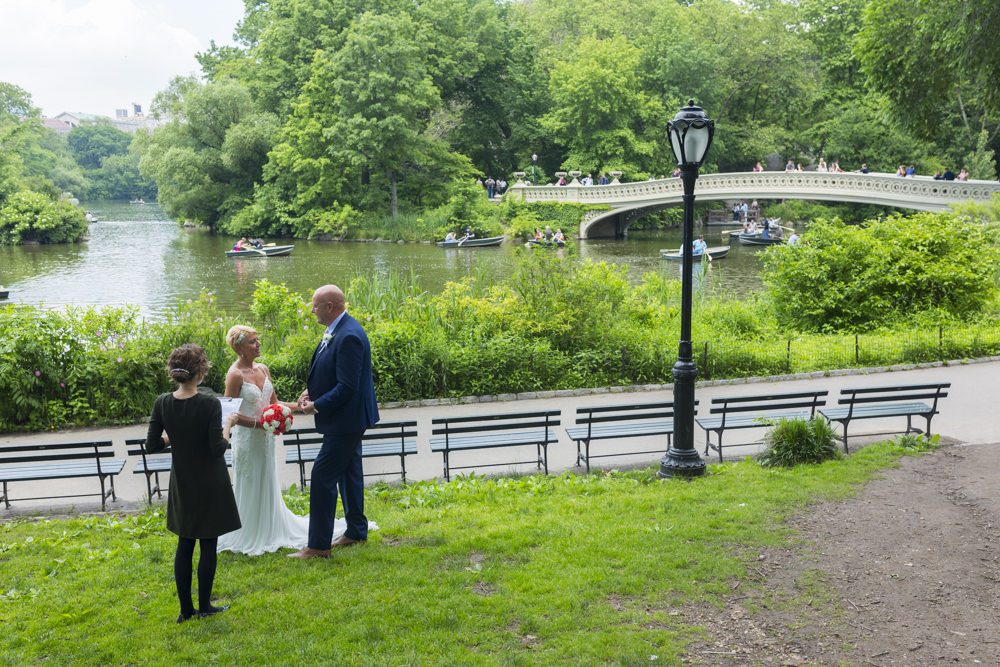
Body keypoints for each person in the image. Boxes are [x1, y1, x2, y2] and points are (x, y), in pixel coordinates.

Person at [218, 326, 361, 555]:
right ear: (238, 348)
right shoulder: (234, 375)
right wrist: (260, 423)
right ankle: (251, 530)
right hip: (248, 440)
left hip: (266, 439)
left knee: (267, 479)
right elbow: (229, 415)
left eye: (258, 340)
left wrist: (304, 407)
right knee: (251, 481)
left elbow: (274, 404)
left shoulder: (263, 368)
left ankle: (271, 524)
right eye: (253, 342)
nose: (258, 345)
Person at [145, 344, 240, 622]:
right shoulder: (210, 403)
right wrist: (229, 425)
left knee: (185, 543)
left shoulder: (162, 402)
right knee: (208, 543)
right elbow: (217, 447)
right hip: (210, 481)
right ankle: (205, 606)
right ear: (200, 372)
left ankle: (186, 610)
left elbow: (152, 444)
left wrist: (176, 435)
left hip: (183, 481)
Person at [290, 285, 380, 559]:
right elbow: (333, 373)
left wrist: (316, 406)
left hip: (346, 420)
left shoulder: (349, 335)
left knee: (322, 476)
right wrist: (312, 392)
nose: (312, 310)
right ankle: (355, 531)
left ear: (331, 306)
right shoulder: (337, 330)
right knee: (349, 472)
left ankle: (317, 546)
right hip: (346, 418)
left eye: (315, 305)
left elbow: (347, 387)